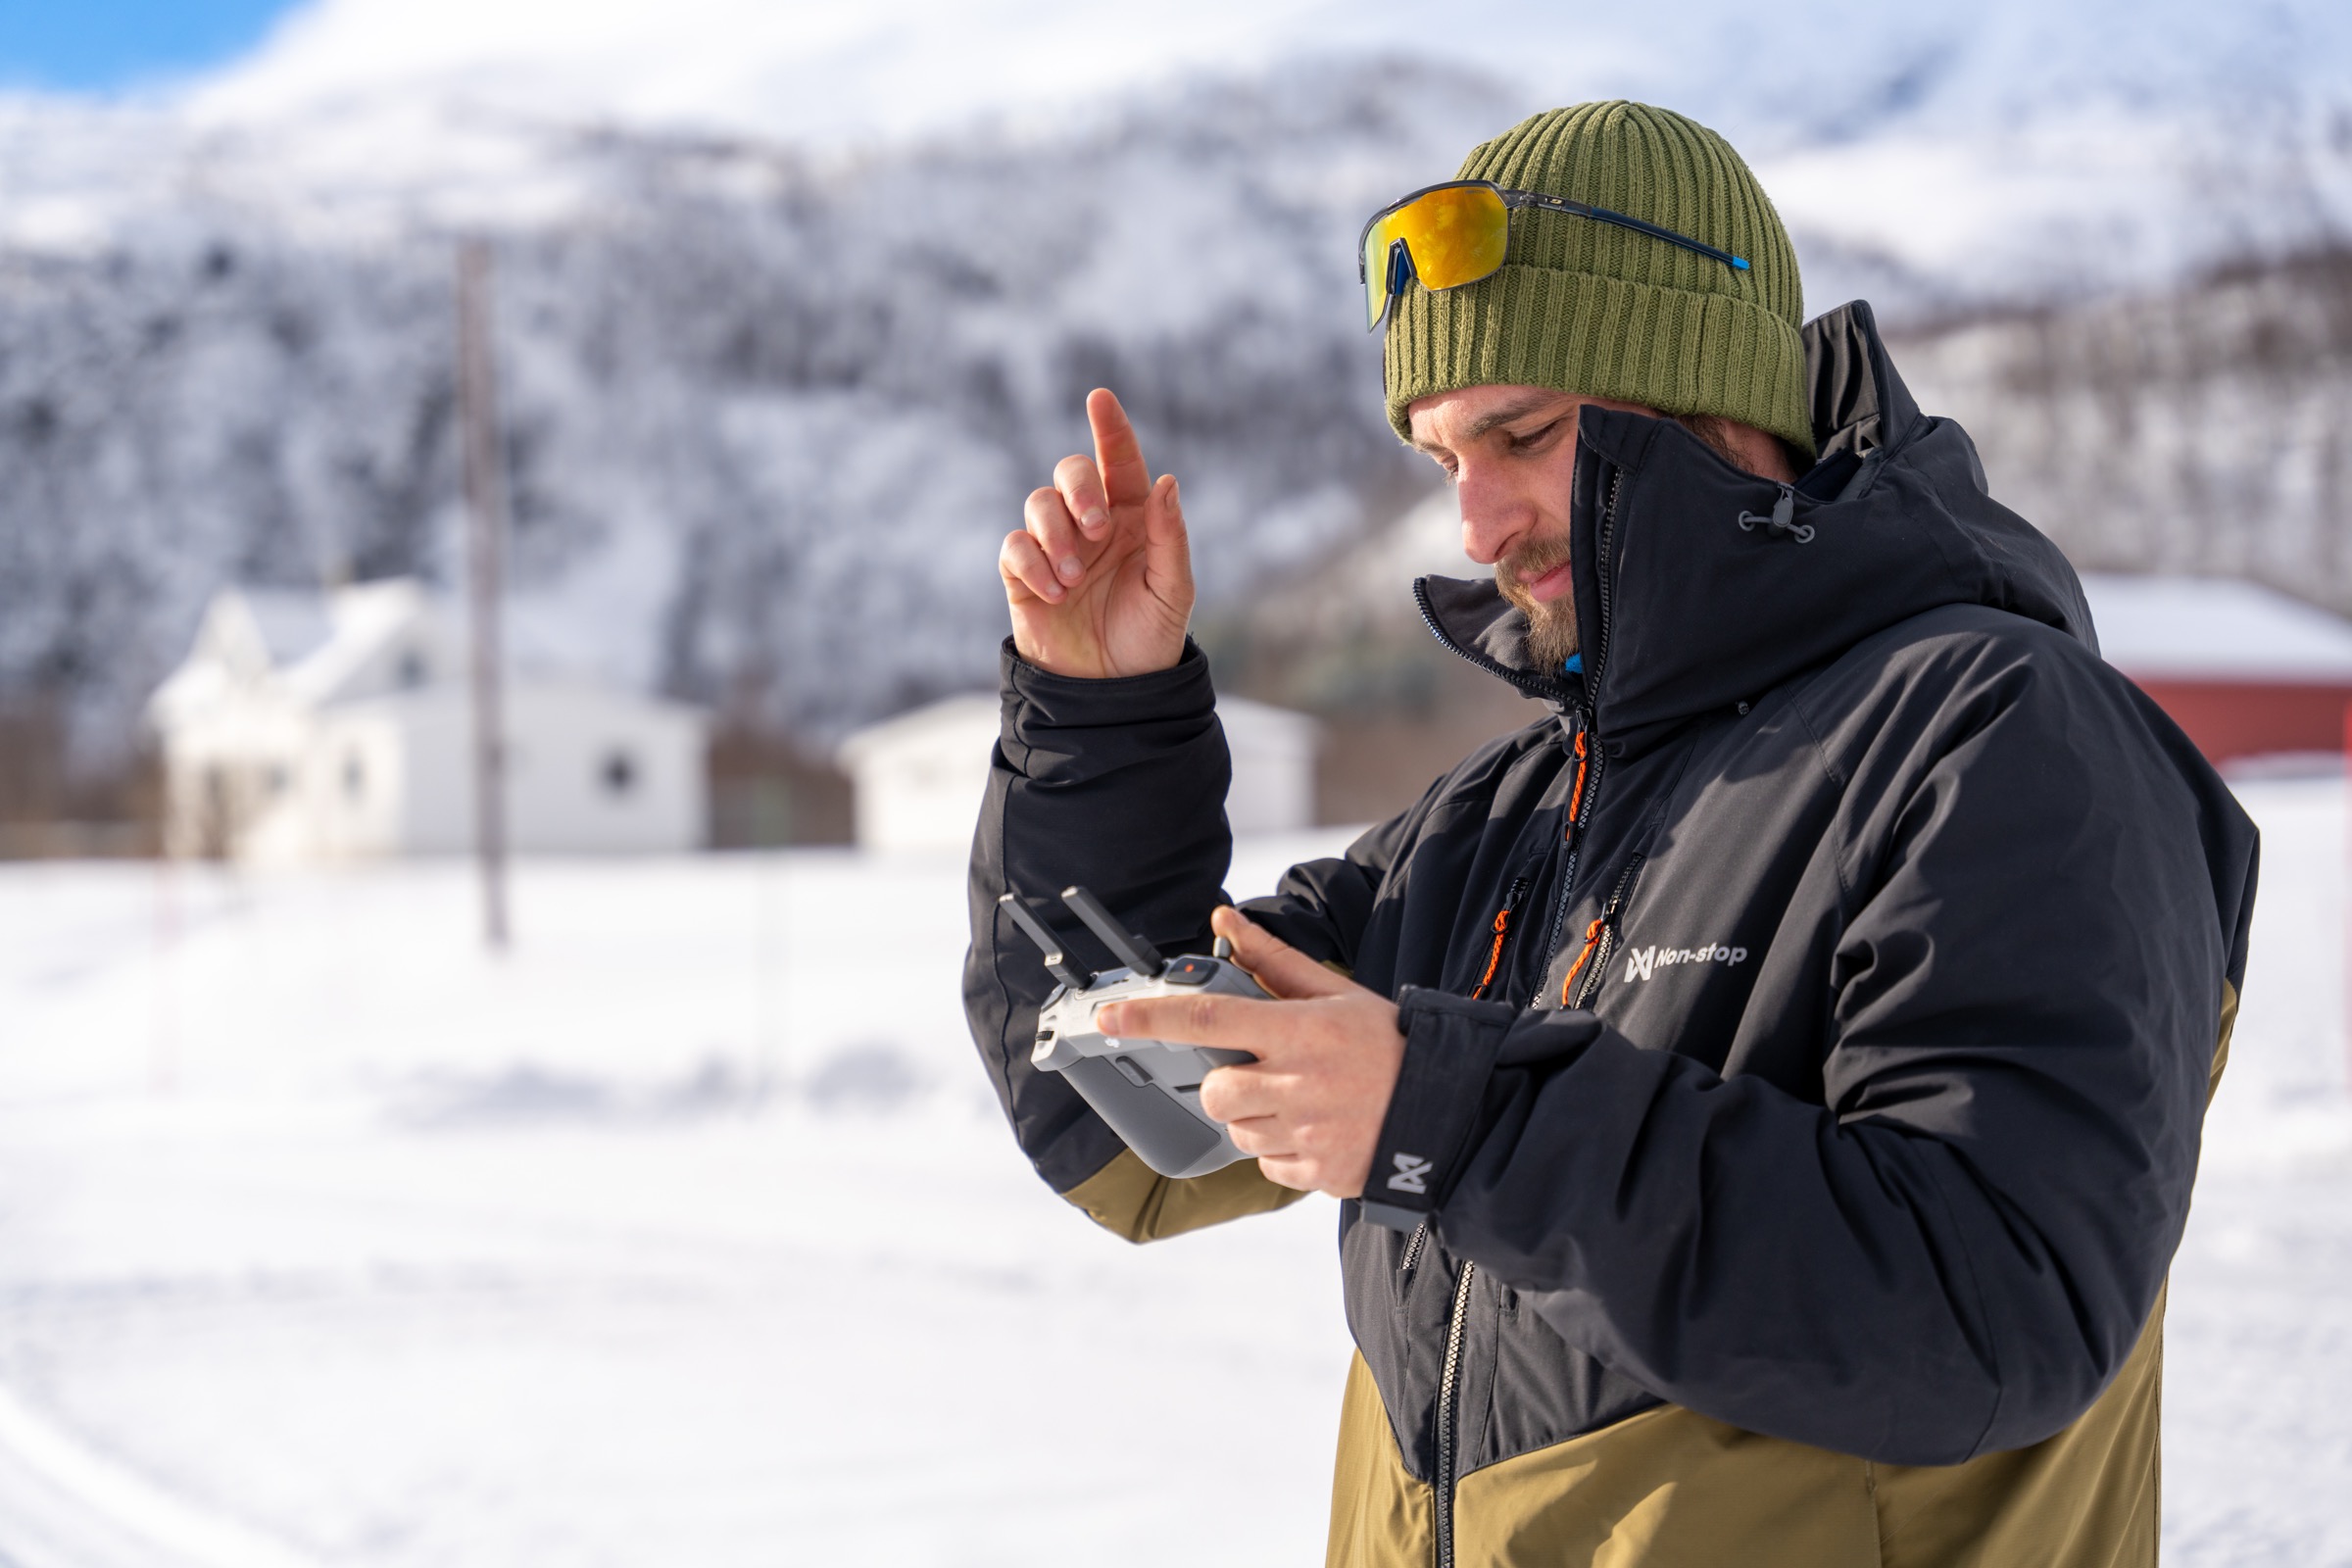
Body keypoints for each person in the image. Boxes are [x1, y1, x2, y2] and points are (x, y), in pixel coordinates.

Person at [963, 100, 2257, 1566]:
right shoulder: (1501, 821)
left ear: (1712, 401)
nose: (1476, 522)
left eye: (1521, 434)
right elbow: (1122, 1131)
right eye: (1443, 458)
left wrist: (1451, 1122)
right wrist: (1098, 719)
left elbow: (1995, 1302)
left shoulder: (1998, 736)